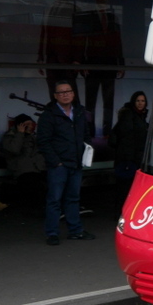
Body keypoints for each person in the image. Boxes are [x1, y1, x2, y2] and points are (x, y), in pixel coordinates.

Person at [36, 79, 95, 245]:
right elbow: (43, 141)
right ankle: (52, 233)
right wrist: (56, 162)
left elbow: (86, 135)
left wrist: (86, 152)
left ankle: (76, 231)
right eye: (61, 92)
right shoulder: (49, 115)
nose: (65, 95)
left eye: (68, 91)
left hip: (76, 163)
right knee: (54, 200)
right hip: (58, 165)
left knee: (73, 198)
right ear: (55, 96)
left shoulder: (79, 112)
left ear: (73, 94)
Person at [80, 0, 124, 136]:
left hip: (109, 65)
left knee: (108, 103)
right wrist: (82, 64)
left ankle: (107, 132)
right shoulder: (89, 17)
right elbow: (82, 41)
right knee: (90, 103)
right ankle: (89, 132)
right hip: (92, 65)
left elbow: (118, 42)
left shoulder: (112, 18)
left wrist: (121, 64)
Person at [0, 114, 47, 208]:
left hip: (39, 168)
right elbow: (14, 149)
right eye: (27, 124)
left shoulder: (32, 137)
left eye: (31, 124)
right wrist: (20, 133)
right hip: (22, 170)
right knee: (35, 184)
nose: (30, 126)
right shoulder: (10, 136)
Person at [111, 91, 148, 205]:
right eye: (138, 101)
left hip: (134, 158)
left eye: (142, 101)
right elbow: (127, 138)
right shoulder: (129, 115)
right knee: (125, 188)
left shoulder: (140, 115)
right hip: (128, 160)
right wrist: (130, 159)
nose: (140, 103)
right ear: (133, 101)